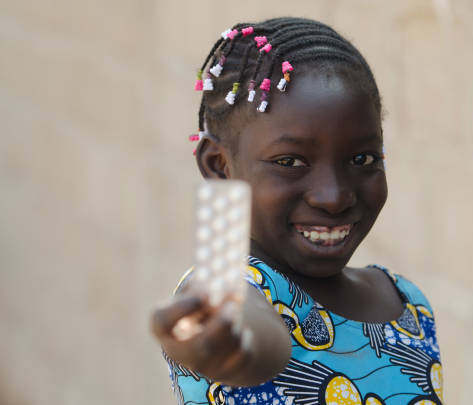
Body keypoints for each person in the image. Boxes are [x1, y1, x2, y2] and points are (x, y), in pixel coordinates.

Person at [151, 17, 444, 405]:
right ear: (219, 166)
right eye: (290, 162)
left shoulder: (407, 305)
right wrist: (227, 342)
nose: (333, 196)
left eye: (362, 158)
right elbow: (255, 334)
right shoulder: (240, 294)